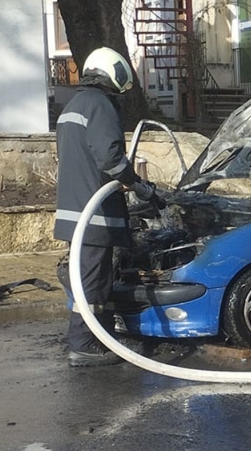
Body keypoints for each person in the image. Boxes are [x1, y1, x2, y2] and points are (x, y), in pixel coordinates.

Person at [54, 47, 157, 367]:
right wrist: (140, 187)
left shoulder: (73, 106)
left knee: (92, 280)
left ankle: (99, 339)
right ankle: (85, 346)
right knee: (94, 285)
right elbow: (111, 160)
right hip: (96, 217)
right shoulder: (100, 105)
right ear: (109, 73)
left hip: (76, 213)